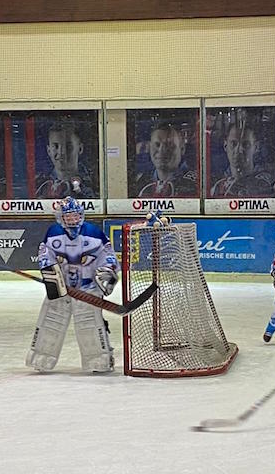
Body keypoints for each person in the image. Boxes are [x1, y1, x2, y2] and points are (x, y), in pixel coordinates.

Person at [26, 196, 118, 373]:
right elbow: (45, 255)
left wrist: (107, 272)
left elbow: (108, 255)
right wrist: (51, 275)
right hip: (62, 287)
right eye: (68, 216)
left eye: (75, 215)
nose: (73, 220)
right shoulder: (53, 233)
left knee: (89, 323)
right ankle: (41, 357)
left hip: (88, 288)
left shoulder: (93, 232)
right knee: (50, 321)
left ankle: (100, 360)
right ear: (61, 218)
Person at [209, 123, 275, 197]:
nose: (239, 150)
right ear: (225, 146)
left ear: (256, 147)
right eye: (233, 144)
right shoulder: (218, 187)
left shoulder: (266, 184)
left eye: (246, 144)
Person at [133, 123, 198, 198]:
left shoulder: (195, 184)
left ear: (182, 149)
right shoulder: (141, 182)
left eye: (169, 145)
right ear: (150, 148)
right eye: (157, 144)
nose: (161, 150)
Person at [35, 124, 94, 199]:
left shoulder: (93, 182)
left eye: (68, 146)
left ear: (80, 149)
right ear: (49, 150)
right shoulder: (40, 185)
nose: (61, 152)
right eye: (55, 146)